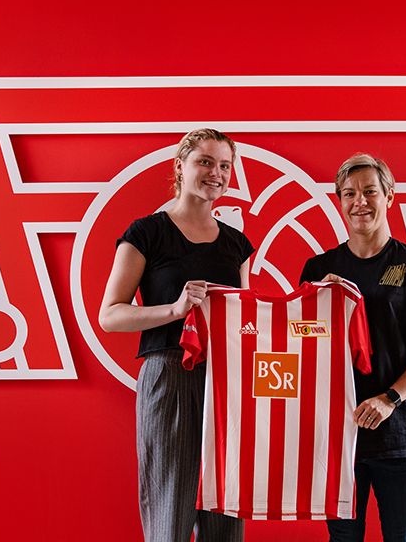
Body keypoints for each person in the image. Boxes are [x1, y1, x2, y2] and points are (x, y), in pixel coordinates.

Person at [99, 128, 251, 542]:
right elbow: (110, 315)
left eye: (224, 165)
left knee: (226, 512)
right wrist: (174, 309)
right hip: (169, 375)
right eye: (205, 161)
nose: (215, 173)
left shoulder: (238, 244)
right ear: (180, 166)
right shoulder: (147, 232)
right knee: (169, 513)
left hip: (225, 382)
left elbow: (243, 321)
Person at [298, 153, 406, 542]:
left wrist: (390, 398)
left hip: (398, 432)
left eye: (369, 192)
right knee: (343, 540)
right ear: (339, 201)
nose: (359, 202)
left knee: (402, 537)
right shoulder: (319, 269)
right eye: (349, 193)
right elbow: (301, 343)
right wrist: (320, 299)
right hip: (338, 433)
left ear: (389, 197)